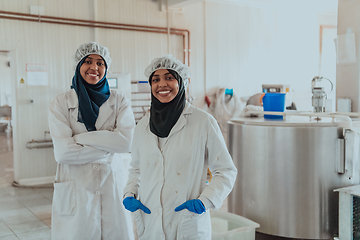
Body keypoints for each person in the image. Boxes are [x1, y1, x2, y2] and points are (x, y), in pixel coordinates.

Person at [123, 54, 237, 239]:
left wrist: (204, 201)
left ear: (181, 82)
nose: (162, 84)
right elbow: (136, 168)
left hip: (187, 223)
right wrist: (129, 192)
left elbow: (226, 171)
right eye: (155, 79)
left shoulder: (203, 122)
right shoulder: (142, 125)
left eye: (169, 77)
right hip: (150, 223)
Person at [49, 42, 135, 240]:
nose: (94, 68)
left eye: (100, 63)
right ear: (78, 66)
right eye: (88, 61)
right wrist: (109, 145)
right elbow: (63, 153)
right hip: (75, 186)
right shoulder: (61, 103)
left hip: (112, 182)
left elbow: (126, 144)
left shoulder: (119, 100)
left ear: (106, 68)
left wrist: (79, 139)